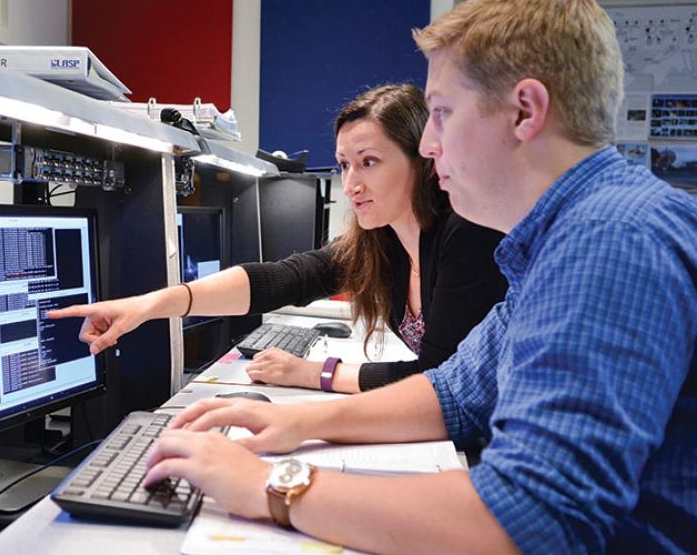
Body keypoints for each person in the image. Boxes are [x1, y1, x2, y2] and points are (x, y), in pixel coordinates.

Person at [135, 0, 696, 554]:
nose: (429, 144)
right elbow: (452, 393)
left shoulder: (609, 239)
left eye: (442, 112)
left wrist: (270, 485)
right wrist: (301, 425)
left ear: (525, 111)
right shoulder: (560, 239)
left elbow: (531, 518)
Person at [49, 84, 507, 393]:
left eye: (369, 162)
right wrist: (149, 305)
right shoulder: (383, 244)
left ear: (423, 161)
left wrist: (315, 374)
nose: (351, 185)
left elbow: (436, 379)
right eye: (344, 165)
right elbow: (282, 280)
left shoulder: (463, 237)